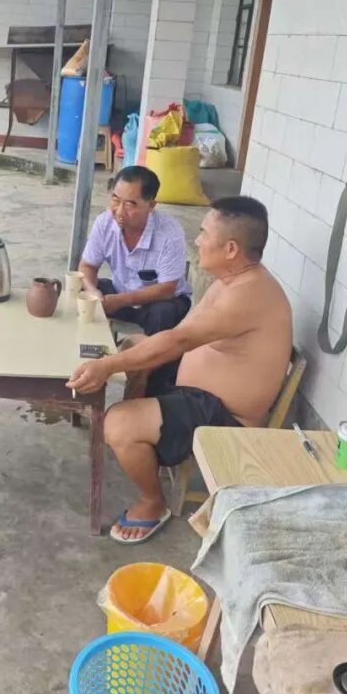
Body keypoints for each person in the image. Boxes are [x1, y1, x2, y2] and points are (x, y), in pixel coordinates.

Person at [67, 196, 292, 544]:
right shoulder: (229, 281)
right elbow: (182, 335)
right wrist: (134, 353)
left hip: (224, 415)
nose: (197, 241)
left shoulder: (247, 294)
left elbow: (178, 341)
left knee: (117, 423)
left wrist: (107, 365)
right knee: (136, 347)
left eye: (204, 233)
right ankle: (144, 447)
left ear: (231, 249)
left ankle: (153, 502)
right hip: (198, 394)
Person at [78, 165, 193, 396]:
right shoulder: (104, 223)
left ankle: (151, 386)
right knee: (80, 294)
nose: (119, 211)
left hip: (161, 300)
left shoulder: (169, 233)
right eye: (115, 199)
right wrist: (93, 292)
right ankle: (83, 364)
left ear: (151, 205)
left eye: (130, 204)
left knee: (163, 315)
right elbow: (87, 266)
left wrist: (120, 301)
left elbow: (167, 288)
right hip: (121, 292)